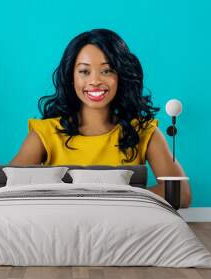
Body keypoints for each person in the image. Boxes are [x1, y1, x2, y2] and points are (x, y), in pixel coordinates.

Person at [10, 29, 191, 208]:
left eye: (107, 70)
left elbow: (182, 194)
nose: (95, 81)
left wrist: (117, 198)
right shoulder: (44, 133)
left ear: (121, 76)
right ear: (71, 77)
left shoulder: (144, 132)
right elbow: (9, 189)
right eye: (84, 71)